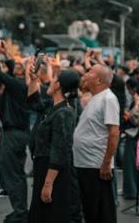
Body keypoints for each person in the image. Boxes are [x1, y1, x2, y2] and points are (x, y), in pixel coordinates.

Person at [28, 67, 80, 223]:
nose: (51, 81)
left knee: (50, 214)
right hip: (44, 167)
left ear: (58, 85)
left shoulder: (64, 112)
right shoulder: (53, 106)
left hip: (52, 170)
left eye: (54, 79)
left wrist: (48, 184)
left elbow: (60, 150)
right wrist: (33, 79)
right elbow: (34, 102)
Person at [73, 64, 119, 223]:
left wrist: (106, 163)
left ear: (99, 79)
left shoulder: (108, 98)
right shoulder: (95, 97)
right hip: (86, 164)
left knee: (101, 213)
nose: (86, 74)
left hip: (96, 166)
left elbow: (114, 133)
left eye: (90, 72)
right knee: (91, 211)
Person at [0, 40, 30, 223]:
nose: (16, 66)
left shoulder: (17, 85)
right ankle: (20, 210)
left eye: (20, 66)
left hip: (13, 135)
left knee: (12, 174)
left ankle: (20, 212)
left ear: (24, 72)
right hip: (18, 133)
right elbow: (13, 66)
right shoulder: (21, 83)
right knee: (17, 174)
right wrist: (7, 54)